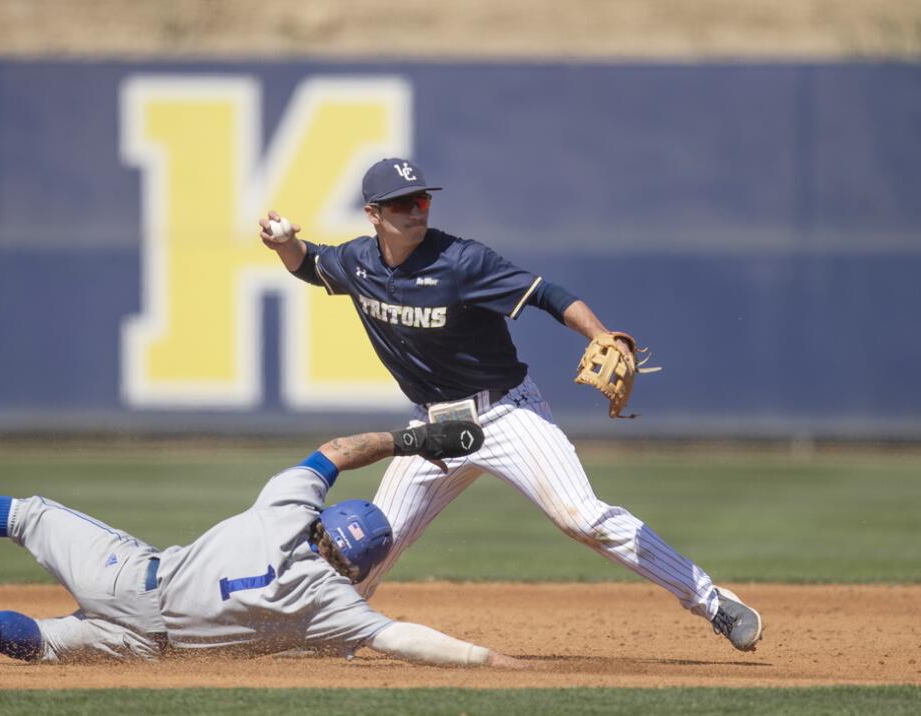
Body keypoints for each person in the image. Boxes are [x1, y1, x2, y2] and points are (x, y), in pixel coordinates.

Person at [257, 157, 763, 652]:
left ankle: (712, 600)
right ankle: (323, 635)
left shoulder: (462, 261)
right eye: (401, 203)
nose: (416, 209)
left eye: (421, 198)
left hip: (505, 414)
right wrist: (285, 245)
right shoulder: (358, 262)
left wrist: (602, 334)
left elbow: (547, 294)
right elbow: (310, 263)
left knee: (581, 518)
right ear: (373, 214)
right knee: (371, 540)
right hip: (432, 429)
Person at [0, 420, 524, 666]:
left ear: (326, 523)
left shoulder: (286, 511)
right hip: (152, 649)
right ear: (359, 569)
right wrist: (487, 658)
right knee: (53, 646)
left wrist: (414, 441)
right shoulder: (330, 607)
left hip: (134, 580)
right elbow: (399, 637)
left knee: (31, 515)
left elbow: (337, 450)